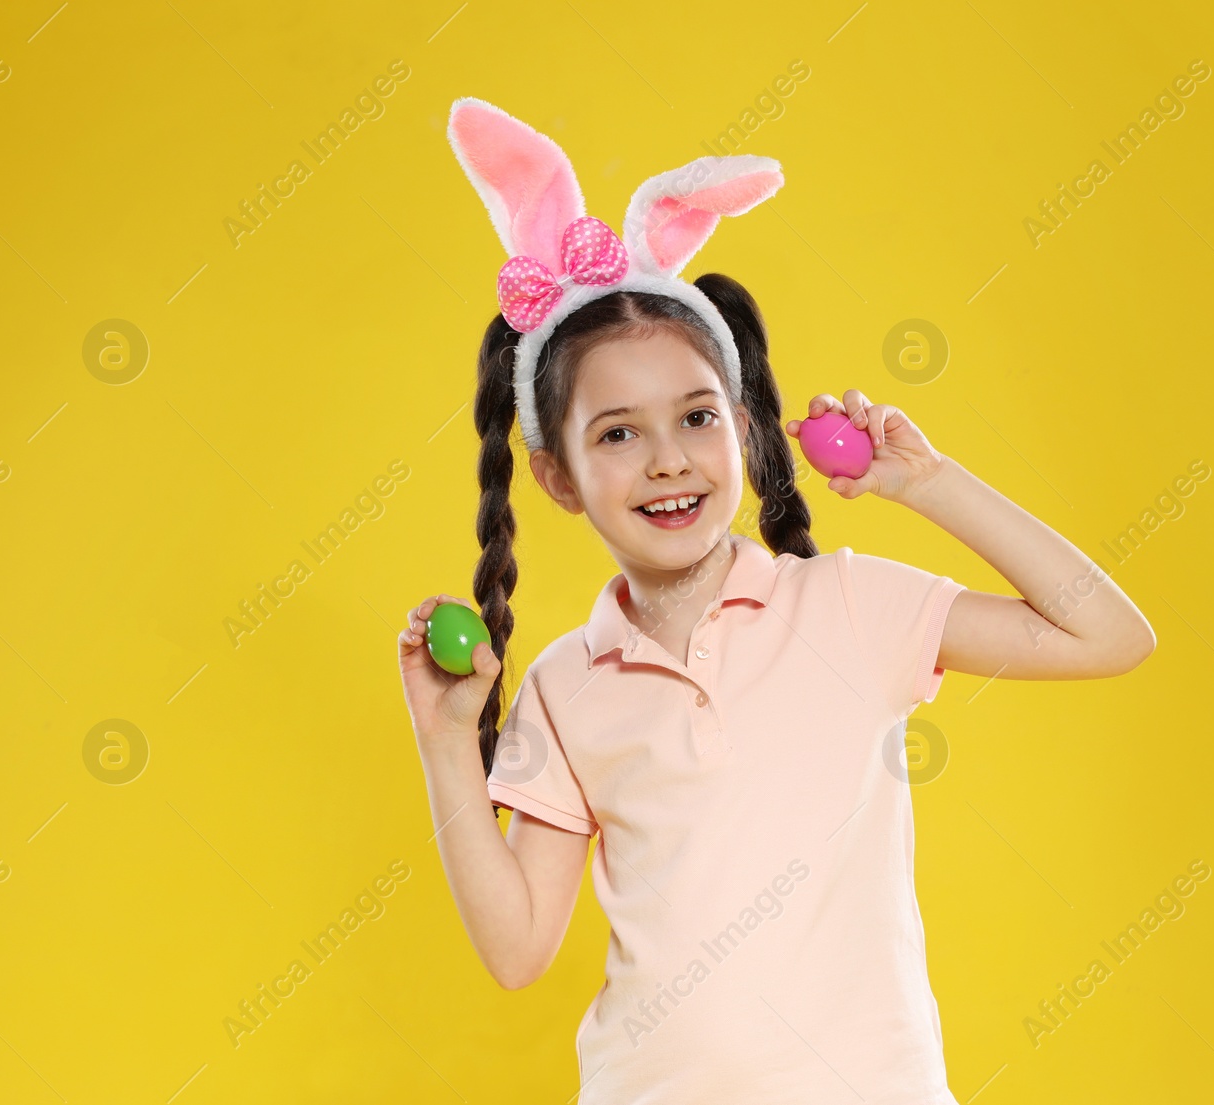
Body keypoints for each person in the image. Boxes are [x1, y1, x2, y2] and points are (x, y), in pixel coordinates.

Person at [398, 98, 1156, 1103]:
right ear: (558, 477)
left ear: (747, 429)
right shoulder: (563, 685)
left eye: (696, 416)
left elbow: (1105, 631)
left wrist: (928, 483)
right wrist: (449, 743)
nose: (668, 458)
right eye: (617, 432)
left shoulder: (846, 606)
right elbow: (518, 949)